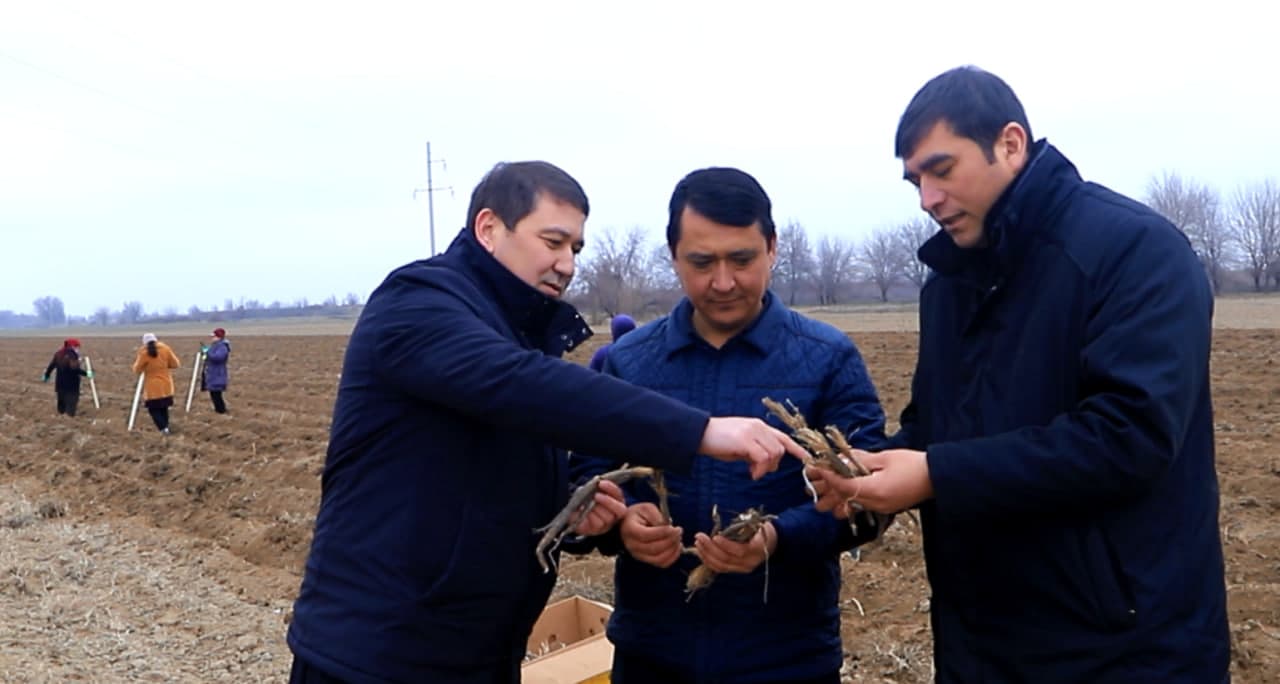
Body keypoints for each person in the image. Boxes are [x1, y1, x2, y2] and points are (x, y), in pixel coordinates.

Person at [286, 160, 809, 684]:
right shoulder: (419, 302)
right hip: (378, 654)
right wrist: (702, 432)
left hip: (474, 653)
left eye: (575, 249)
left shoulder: (511, 329)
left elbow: (484, 468)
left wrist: (578, 512)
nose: (567, 264)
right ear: (489, 228)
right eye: (553, 242)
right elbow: (522, 385)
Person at [806, 66, 1229, 682]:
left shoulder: (1136, 252)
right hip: (982, 643)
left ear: (1010, 143)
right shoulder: (948, 286)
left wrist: (934, 475)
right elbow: (935, 429)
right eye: (915, 180)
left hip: (1124, 648)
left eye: (941, 170)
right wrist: (868, 482)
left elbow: (1129, 438)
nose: (927, 199)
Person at [573, 167, 887, 684]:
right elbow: (587, 474)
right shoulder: (629, 363)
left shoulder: (828, 359)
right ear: (674, 256)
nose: (723, 282)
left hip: (787, 660)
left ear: (772, 248)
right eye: (702, 262)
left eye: (741, 260)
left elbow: (870, 503)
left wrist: (779, 538)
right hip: (653, 655)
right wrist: (623, 523)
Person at [132, 332, 181, 435]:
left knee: (153, 409)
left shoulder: (143, 352)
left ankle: (163, 428)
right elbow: (175, 364)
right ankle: (166, 427)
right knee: (164, 408)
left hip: (152, 387)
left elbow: (136, 369)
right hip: (166, 384)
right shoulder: (166, 349)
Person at [42, 338, 92, 417]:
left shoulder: (58, 353)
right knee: (71, 405)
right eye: (77, 347)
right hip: (71, 386)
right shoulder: (72, 355)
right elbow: (74, 369)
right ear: (73, 346)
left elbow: (51, 366)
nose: (78, 349)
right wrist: (86, 373)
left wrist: (46, 375)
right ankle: (69, 419)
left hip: (60, 385)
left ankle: (61, 417)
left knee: (61, 404)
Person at [202, 327, 231, 413]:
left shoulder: (222, 347)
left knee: (216, 394)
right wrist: (204, 354)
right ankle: (218, 410)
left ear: (219, 337)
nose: (212, 338)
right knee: (213, 394)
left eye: (214, 336)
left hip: (218, 374)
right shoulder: (214, 346)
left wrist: (208, 352)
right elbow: (207, 358)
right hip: (212, 373)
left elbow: (218, 358)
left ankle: (221, 410)